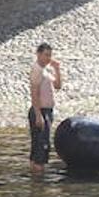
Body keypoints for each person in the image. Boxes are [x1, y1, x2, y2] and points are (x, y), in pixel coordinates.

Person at [28, 43, 63, 172]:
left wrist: (57, 69)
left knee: (39, 147)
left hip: (47, 111)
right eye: (46, 55)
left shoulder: (46, 69)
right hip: (40, 111)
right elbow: (34, 93)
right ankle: (38, 183)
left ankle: (35, 178)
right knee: (41, 148)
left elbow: (58, 86)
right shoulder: (37, 70)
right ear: (38, 54)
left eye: (50, 55)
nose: (48, 58)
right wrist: (38, 115)